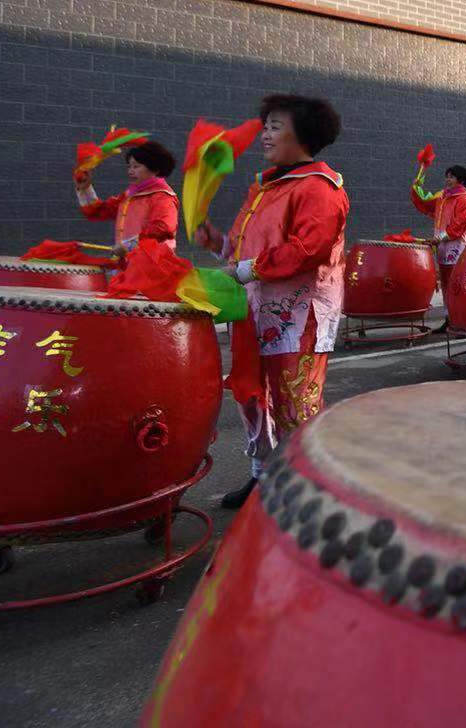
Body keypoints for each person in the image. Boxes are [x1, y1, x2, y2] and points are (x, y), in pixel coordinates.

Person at [194, 94, 349, 510]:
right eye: (266, 125)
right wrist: (218, 243)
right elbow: (247, 249)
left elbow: (309, 249)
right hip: (256, 309)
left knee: (294, 402)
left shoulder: (320, 188)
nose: (264, 135)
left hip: (300, 317)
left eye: (275, 126)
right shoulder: (265, 187)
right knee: (251, 393)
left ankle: (310, 486)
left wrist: (242, 269)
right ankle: (263, 474)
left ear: (303, 134)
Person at [74, 139, 179, 257]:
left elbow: (163, 229)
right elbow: (98, 211)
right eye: (129, 167)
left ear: (154, 169)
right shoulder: (129, 196)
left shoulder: (163, 197)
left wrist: (128, 246)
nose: (130, 171)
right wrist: (85, 188)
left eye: (136, 166)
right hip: (128, 262)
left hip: (153, 264)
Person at [411, 164, 466, 329]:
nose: (447, 180)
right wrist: (416, 186)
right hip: (443, 247)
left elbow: (459, 224)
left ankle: (463, 318)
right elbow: (424, 204)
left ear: (460, 180)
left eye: (451, 177)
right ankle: (450, 319)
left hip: (458, 247)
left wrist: (440, 238)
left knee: (457, 284)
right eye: (447, 176)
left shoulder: (464, 199)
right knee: (447, 283)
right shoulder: (442, 197)